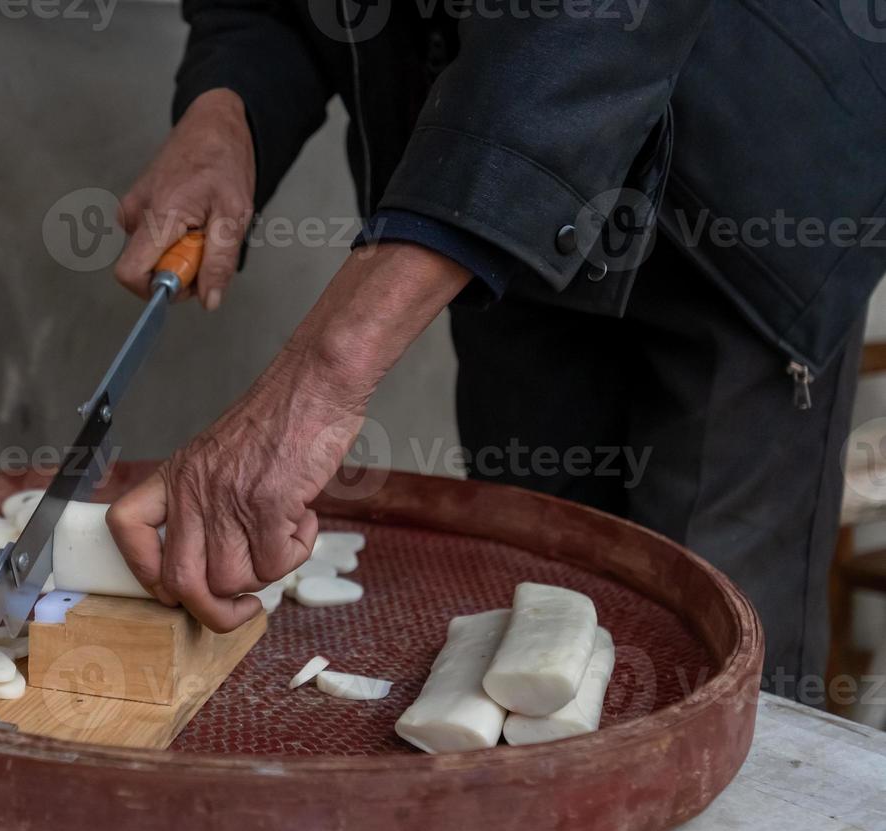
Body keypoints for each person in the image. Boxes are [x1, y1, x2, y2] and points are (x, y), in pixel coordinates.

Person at [104, 0, 886, 699]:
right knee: (535, 624)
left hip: (738, 218)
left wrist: (318, 380)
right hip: (493, 212)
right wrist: (227, 102)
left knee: (718, 662)